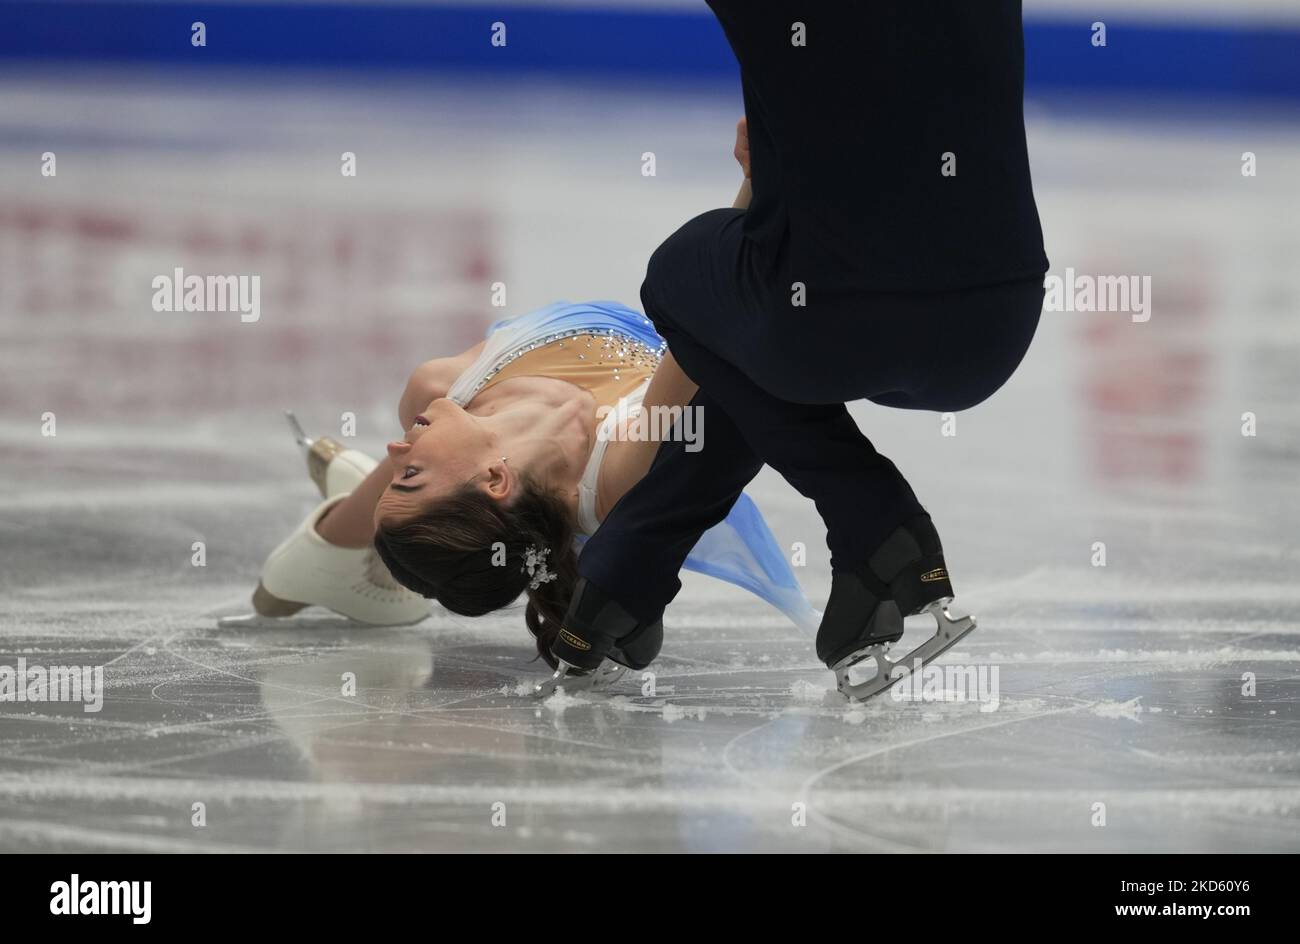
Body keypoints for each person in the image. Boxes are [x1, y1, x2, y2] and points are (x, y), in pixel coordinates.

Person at [551, 2, 1049, 700]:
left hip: (827, 327)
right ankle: (627, 572)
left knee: (683, 275)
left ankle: (871, 519)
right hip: (997, 324)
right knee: (752, 313)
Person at [246, 301, 819, 686]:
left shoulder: (437, 389)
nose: (395, 450)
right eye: (411, 476)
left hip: (520, 501)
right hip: (573, 487)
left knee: (428, 424)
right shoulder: (623, 468)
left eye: (398, 474)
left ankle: (336, 541)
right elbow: (711, 316)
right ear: (494, 480)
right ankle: (317, 561)